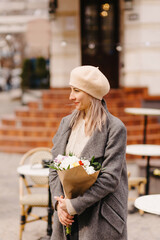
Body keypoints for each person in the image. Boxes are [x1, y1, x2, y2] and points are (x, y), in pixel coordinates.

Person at [49, 65, 128, 240]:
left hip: (99, 217)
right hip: (65, 217)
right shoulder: (66, 123)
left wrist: (73, 205)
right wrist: (59, 205)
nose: (71, 96)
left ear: (91, 93)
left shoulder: (115, 129)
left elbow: (110, 179)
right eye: (71, 89)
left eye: (76, 90)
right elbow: (54, 167)